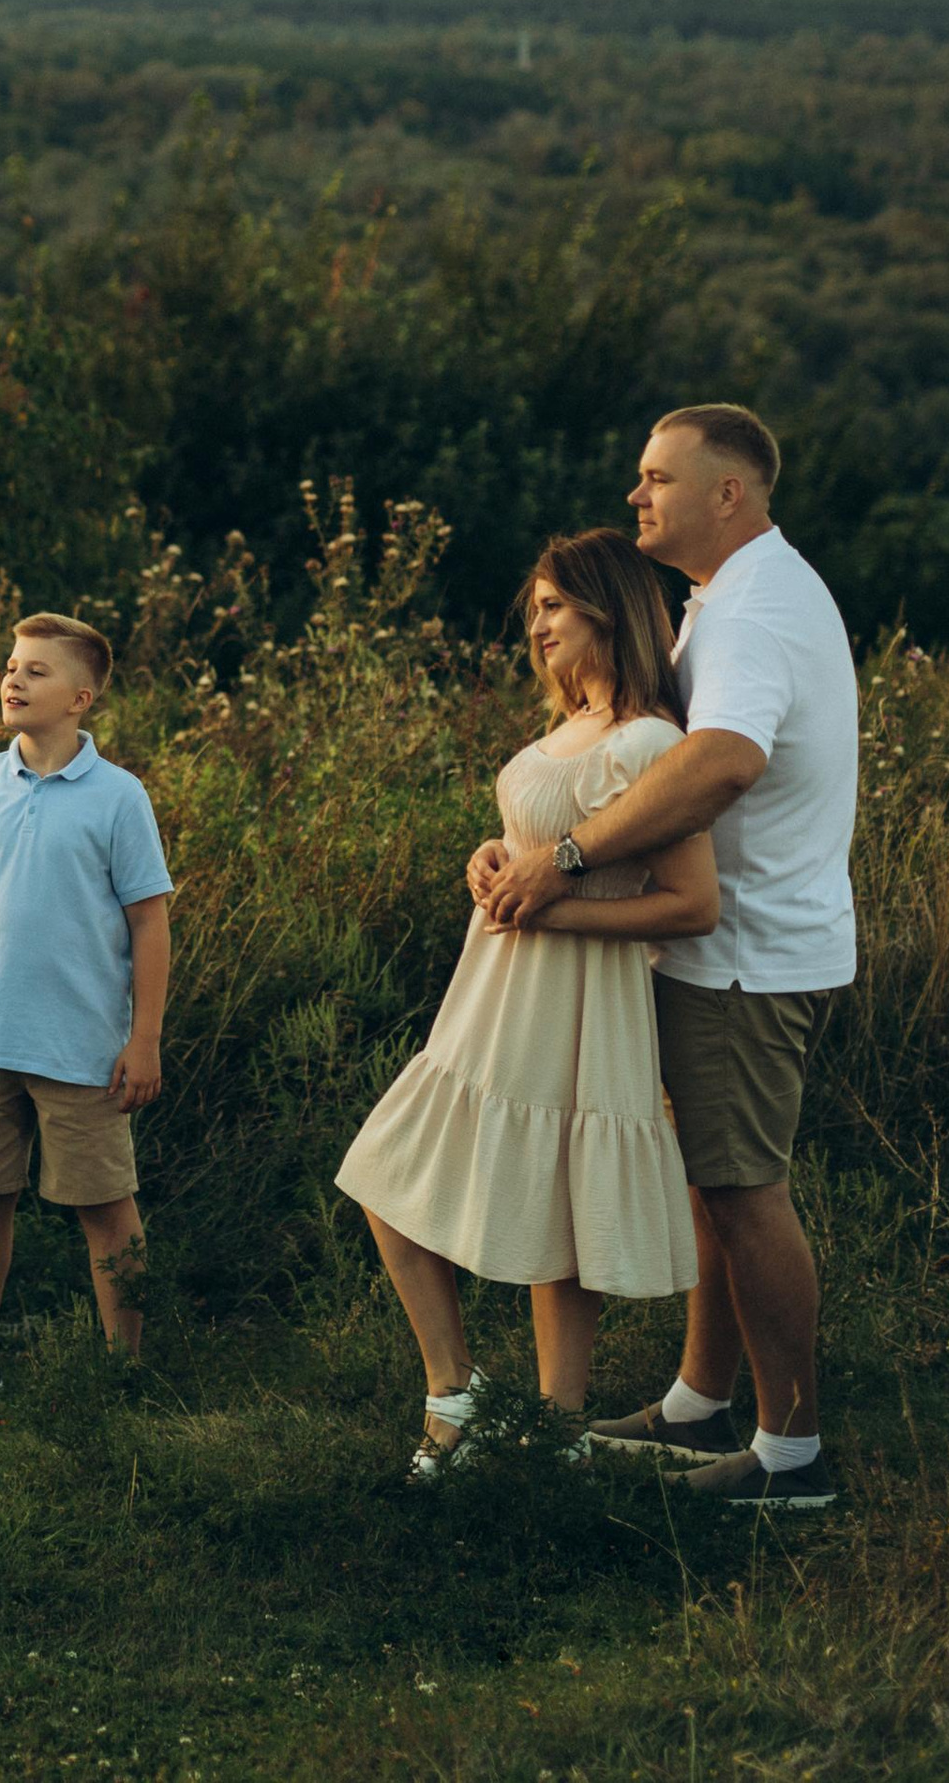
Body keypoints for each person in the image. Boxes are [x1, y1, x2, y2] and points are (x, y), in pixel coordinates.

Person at [477, 405, 856, 1510]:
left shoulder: (752, 612)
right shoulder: (726, 600)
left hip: (747, 952)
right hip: (731, 945)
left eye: (655, 478)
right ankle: (702, 1398)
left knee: (744, 1191)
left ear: (726, 493)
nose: (635, 495)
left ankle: (791, 1461)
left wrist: (571, 852)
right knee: (712, 1183)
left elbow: (726, 761)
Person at [337, 531, 717, 1476]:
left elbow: (692, 901)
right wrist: (491, 856)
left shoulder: (652, 743)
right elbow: (536, 837)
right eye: (535, 607)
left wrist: (561, 907)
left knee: (564, 1206)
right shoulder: (567, 729)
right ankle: (454, 1392)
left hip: (581, 994)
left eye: (555, 605)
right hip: (494, 987)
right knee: (388, 1175)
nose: (537, 624)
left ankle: (555, 1428)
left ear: (607, 609)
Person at [0, 613, 173, 1394]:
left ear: (81, 697)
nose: (13, 679)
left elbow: (149, 922)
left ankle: (125, 1370)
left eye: (36, 671)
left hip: (83, 1045)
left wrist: (145, 1037)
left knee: (105, 1205)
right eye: (11, 666)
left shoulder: (118, 798)